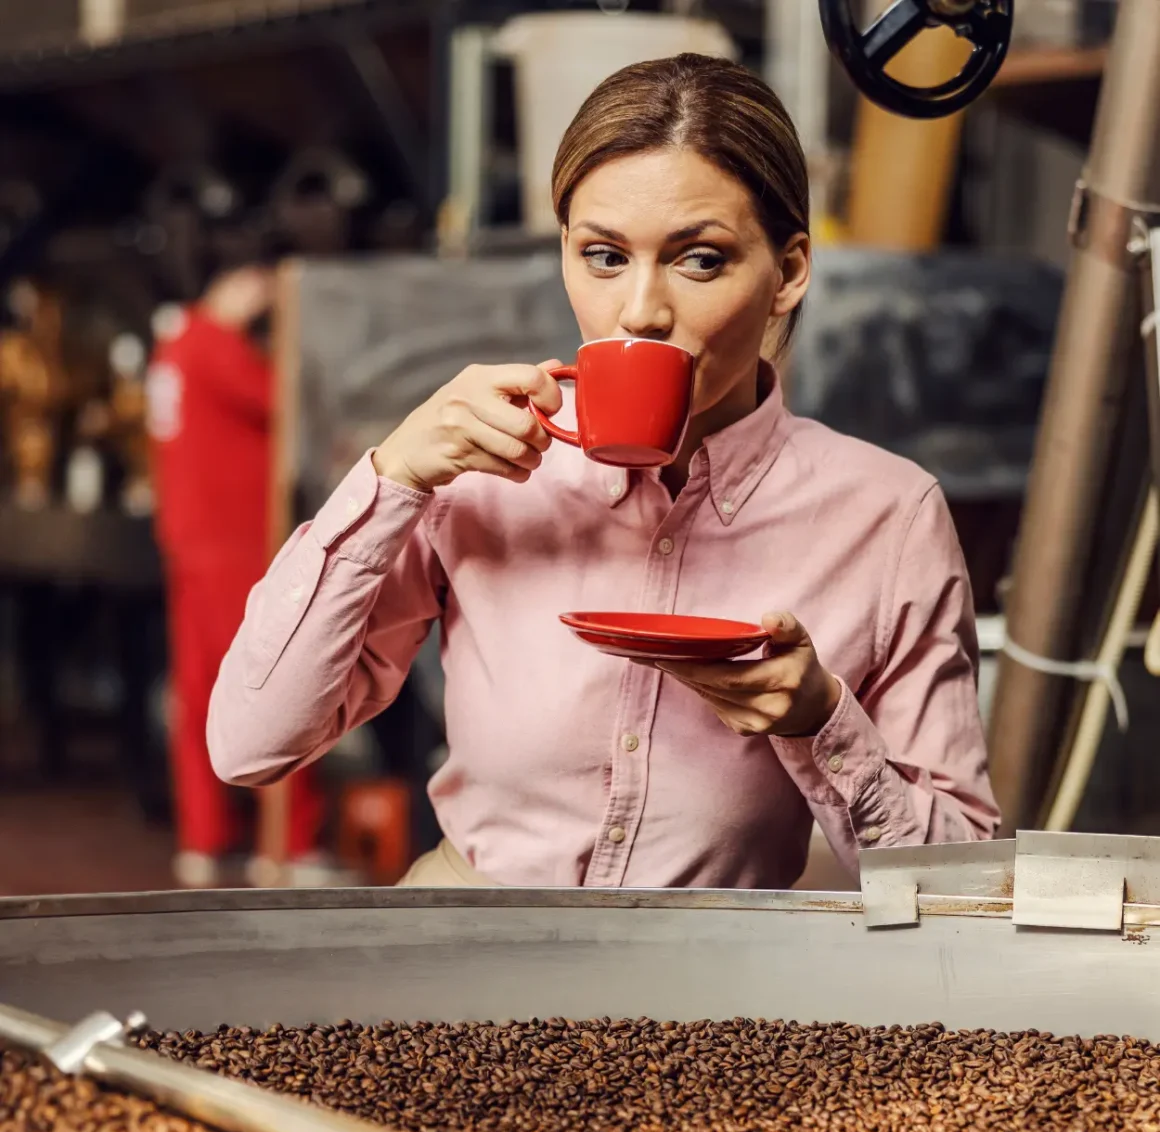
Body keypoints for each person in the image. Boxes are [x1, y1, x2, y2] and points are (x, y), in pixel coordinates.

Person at [208, 55, 1000, 889]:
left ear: (789, 272)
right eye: (604, 256)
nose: (640, 311)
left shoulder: (886, 514)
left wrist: (819, 721)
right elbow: (250, 745)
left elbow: (958, 883)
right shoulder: (479, 468)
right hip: (464, 942)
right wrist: (392, 476)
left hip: (709, 981)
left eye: (699, 259)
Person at [148, 266, 331, 888]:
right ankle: (287, 845)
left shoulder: (174, 344)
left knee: (199, 692)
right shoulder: (212, 343)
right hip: (235, 543)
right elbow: (286, 401)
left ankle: (203, 840)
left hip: (191, 539)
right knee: (273, 679)